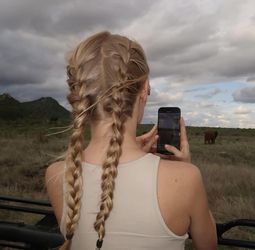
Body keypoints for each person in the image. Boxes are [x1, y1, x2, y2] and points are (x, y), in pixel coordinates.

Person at [45, 31, 217, 250]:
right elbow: (208, 245)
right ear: (145, 88)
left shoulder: (57, 175)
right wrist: (183, 168)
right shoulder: (186, 179)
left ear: (80, 94)